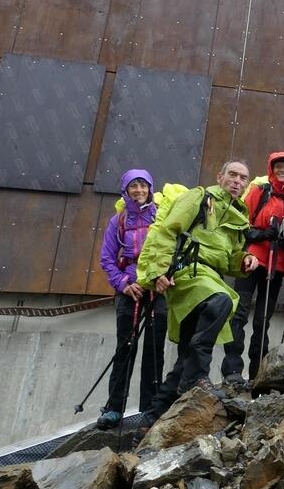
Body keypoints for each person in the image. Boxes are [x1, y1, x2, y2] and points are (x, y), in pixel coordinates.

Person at [137, 160, 258, 427]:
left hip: (209, 277)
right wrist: (158, 271)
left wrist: (244, 260)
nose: (237, 181)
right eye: (232, 175)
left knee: (186, 357)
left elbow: (228, 258)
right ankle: (196, 377)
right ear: (220, 176)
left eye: (243, 178)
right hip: (187, 271)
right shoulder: (200, 197)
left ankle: (151, 419)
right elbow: (167, 231)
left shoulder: (239, 215)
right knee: (222, 300)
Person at [221, 152, 284, 385]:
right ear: (271, 169)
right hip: (252, 260)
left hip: (277, 265)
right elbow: (242, 224)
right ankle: (233, 370)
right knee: (239, 314)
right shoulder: (260, 191)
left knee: (262, 320)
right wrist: (263, 234)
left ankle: (258, 372)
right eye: (278, 166)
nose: (283, 170)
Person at [95, 169, 167, 429]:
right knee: (125, 347)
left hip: (156, 288)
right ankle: (114, 408)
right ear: (125, 190)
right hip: (129, 288)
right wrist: (124, 284)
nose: (139, 190)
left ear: (150, 188)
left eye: (143, 185)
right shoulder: (118, 221)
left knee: (154, 349)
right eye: (133, 186)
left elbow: (172, 249)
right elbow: (107, 259)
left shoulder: (161, 215)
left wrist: (162, 276)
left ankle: (150, 407)